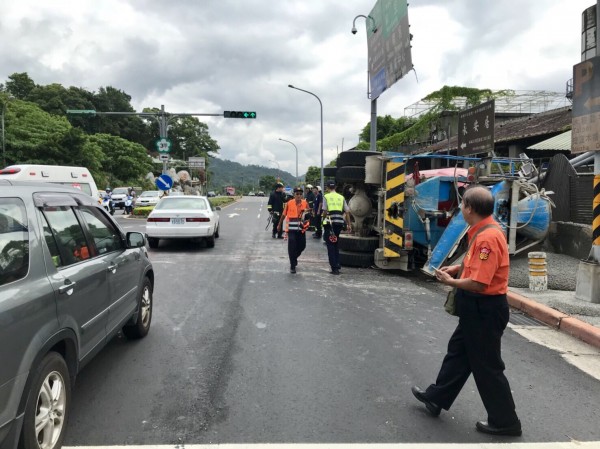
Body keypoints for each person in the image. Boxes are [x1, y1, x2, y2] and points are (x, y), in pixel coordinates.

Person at [411, 185, 521, 437]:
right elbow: (475, 265)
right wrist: (457, 268)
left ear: (470, 208)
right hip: (477, 308)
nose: (460, 209)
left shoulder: (487, 238)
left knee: (487, 366)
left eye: (462, 205)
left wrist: (450, 282)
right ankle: (436, 398)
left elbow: (480, 282)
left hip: (484, 308)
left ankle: (506, 421)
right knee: (458, 353)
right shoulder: (483, 231)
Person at [277, 186, 310, 273]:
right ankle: (292, 265)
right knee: (292, 246)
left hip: (301, 229)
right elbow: (283, 215)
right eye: (297, 194)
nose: (299, 195)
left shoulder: (305, 203)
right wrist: (279, 225)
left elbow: (309, 213)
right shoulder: (289, 203)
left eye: (300, 194)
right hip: (291, 229)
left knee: (302, 246)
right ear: (294, 195)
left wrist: (309, 214)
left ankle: (294, 257)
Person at [321, 180, 352, 275]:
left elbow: (325, 211)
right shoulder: (341, 197)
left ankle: (334, 268)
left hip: (330, 224)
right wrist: (349, 224)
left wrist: (323, 220)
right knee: (335, 244)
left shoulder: (326, 196)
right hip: (339, 223)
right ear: (335, 187)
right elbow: (347, 212)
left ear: (327, 188)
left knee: (330, 245)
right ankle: (337, 264)